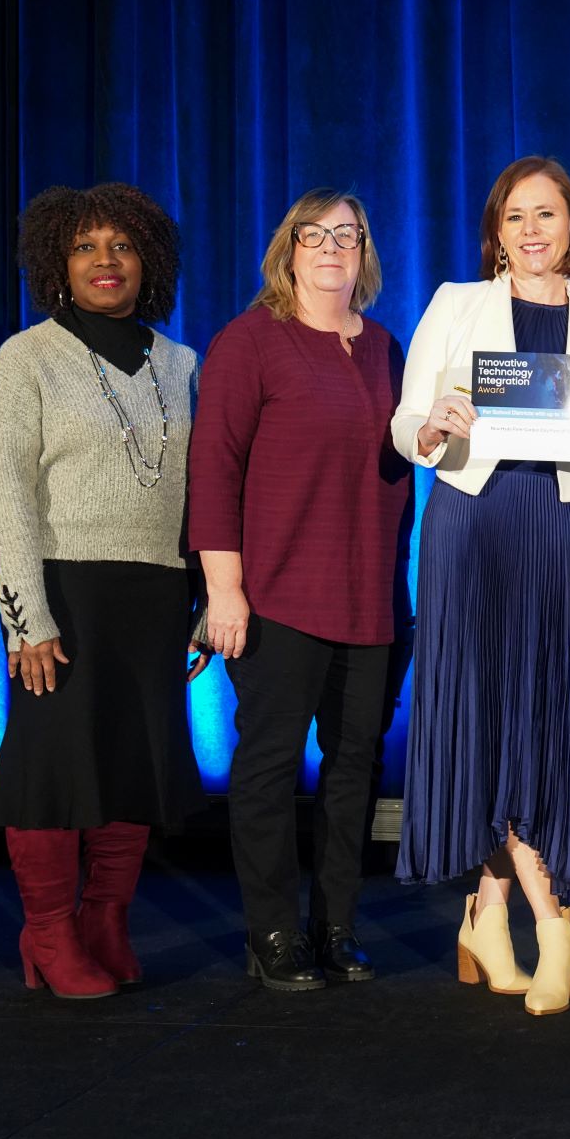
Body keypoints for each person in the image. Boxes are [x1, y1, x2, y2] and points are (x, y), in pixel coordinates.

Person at [390, 157, 570, 1017]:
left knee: (543, 719)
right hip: (469, 523)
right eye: (516, 216)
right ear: (496, 230)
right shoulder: (457, 304)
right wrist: (428, 426)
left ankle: (487, 915)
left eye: (548, 215)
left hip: (558, 527)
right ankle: (550, 921)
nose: (532, 231)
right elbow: (402, 421)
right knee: (483, 715)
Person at [0, 182, 208, 999]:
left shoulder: (181, 364)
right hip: (64, 593)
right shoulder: (27, 356)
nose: (105, 262)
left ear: (150, 261)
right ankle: (47, 932)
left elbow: (211, 491)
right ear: (56, 264)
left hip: (156, 593)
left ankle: (106, 919)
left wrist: (207, 599)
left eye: (122, 246)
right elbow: (0, 490)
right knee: (53, 767)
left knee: (133, 765)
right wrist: (23, 620)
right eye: (84, 247)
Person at [188, 189, 413, 992]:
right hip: (277, 597)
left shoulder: (388, 348)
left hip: (373, 600)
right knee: (268, 768)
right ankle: (274, 932)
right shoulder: (250, 342)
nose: (330, 249)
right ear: (288, 250)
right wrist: (224, 590)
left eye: (346, 236)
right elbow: (212, 470)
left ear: (364, 253)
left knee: (355, 770)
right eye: (313, 235)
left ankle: (335, 927)